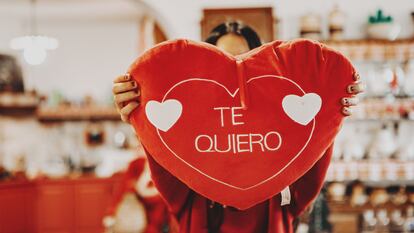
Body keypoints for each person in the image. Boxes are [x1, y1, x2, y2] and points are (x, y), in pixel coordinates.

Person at [112, 21, 364, 233]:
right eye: (222, 64)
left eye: (244, 62)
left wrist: (331, 111)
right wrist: (141, 115)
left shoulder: (283, 168)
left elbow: (307, 180)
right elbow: (166, 170)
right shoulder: (188, 173)